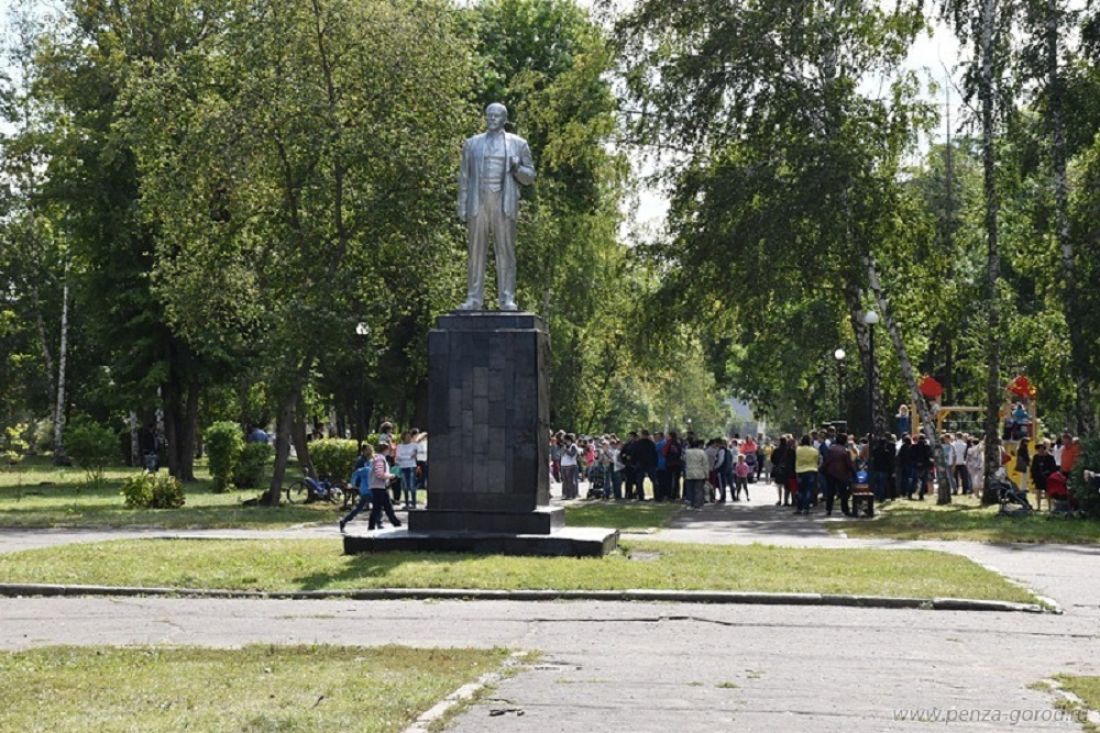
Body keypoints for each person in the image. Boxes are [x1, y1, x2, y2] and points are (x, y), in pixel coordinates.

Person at [456, 102, 536, 311]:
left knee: (505, 251)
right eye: (489, 115)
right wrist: (462, 206)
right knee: (476, 252)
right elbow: (464, 177)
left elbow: (530, 177)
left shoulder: (518, 144)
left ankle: (506, 298)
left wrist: (517, 167)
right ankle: (474, 298)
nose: (491, 118)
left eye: (496, 115)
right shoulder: (472, 144)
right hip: (478, 202)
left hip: (503, 202)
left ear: (504, 119)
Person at [366, 443, 401, 530]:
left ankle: (396, 523)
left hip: (380, 486)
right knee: (377, 508)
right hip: (378, 487)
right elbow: (380, 474)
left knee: (387, 506)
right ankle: (371, 526)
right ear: (386, 450)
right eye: (389, 450)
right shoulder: (380, 460)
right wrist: (392, 476)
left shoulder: (378, 458)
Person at [821, 434, 856, 517]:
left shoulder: (831, 449)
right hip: (842, 475)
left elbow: (827, 461)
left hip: (831, 473)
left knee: (830, 492)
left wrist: (822, 469)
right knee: (843, 493)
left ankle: (828, 510)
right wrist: (853, 473)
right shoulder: (845, 451)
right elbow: (849, 464)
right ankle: (845, 510)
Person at [794, 435, 819, 516]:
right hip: (811, 471)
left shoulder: (798, 449)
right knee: (808, 490)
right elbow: (817, 460)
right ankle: (806, 508)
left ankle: (799, 508)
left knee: (800, 490)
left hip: (800, 471)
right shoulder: (815, 451)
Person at [395, 431, 420, 509]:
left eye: (409, 436)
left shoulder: (414, 445)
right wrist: (408, 456)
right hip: (403, 467)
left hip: (411, 466)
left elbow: (415, 455)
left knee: (412, 485)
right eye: (407, 436)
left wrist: (404, 457)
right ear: (403, 437)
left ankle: (413, 503)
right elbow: (398, 457)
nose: (409, 438)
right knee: (405, 486)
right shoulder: (399, 446)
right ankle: (406, 503)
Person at [684, 439, 710, 508]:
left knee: (690, 489)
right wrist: (707, 474)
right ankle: (698, 504)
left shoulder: (687, 452)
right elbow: (705, 464)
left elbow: (683, 460)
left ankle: (691, 503)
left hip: (689, 473)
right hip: (700, 473)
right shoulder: (702, 452)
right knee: (699, 489)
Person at [634, 430, 658, 501]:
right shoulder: (652, 444)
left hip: (641, 464)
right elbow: (655, 455)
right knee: (654, 481)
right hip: (650, 464)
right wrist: (655, 464)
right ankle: (657, 496)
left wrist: (635, 462)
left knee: (639, 481)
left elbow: (635, 454)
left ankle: (641, 496)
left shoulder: (638, 443)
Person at [663, 431, 684, 501]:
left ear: (670, 436)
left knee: (669, 480)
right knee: (676, 479)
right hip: (678, 463)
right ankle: (675, 495)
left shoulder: (668, 443)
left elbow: (664, 452)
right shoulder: (678, 443)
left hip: (670, 463)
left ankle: (669, 495)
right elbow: (680, 452)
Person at [912, 434, 933, 500]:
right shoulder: (927, 447)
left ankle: (910, 493)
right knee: (924, 481)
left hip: (916, 465)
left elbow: (911, 456)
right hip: (925, 465)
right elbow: (929, 456)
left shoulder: (914, 446)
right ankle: (921, 495)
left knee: (915, 480)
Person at [560, 433, 580, 500]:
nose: (565, 442)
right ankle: (566, 494)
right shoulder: (564, 446)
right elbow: (561, 454)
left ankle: (572, 495)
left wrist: (566, 450)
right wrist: (564, 449)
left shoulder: (573, 446)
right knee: (564, 481)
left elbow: (572, 455)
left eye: (566, 440)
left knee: (571, 481)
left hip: (571, 465)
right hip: (563, 465)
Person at [896, 434, 914, 498]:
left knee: (903, 478)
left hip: (903, 464)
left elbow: (899, 455)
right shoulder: (912, 447)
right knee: (909, 478)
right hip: (910, 464)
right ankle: (908, 491)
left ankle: (903, 492)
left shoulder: (903, 446)